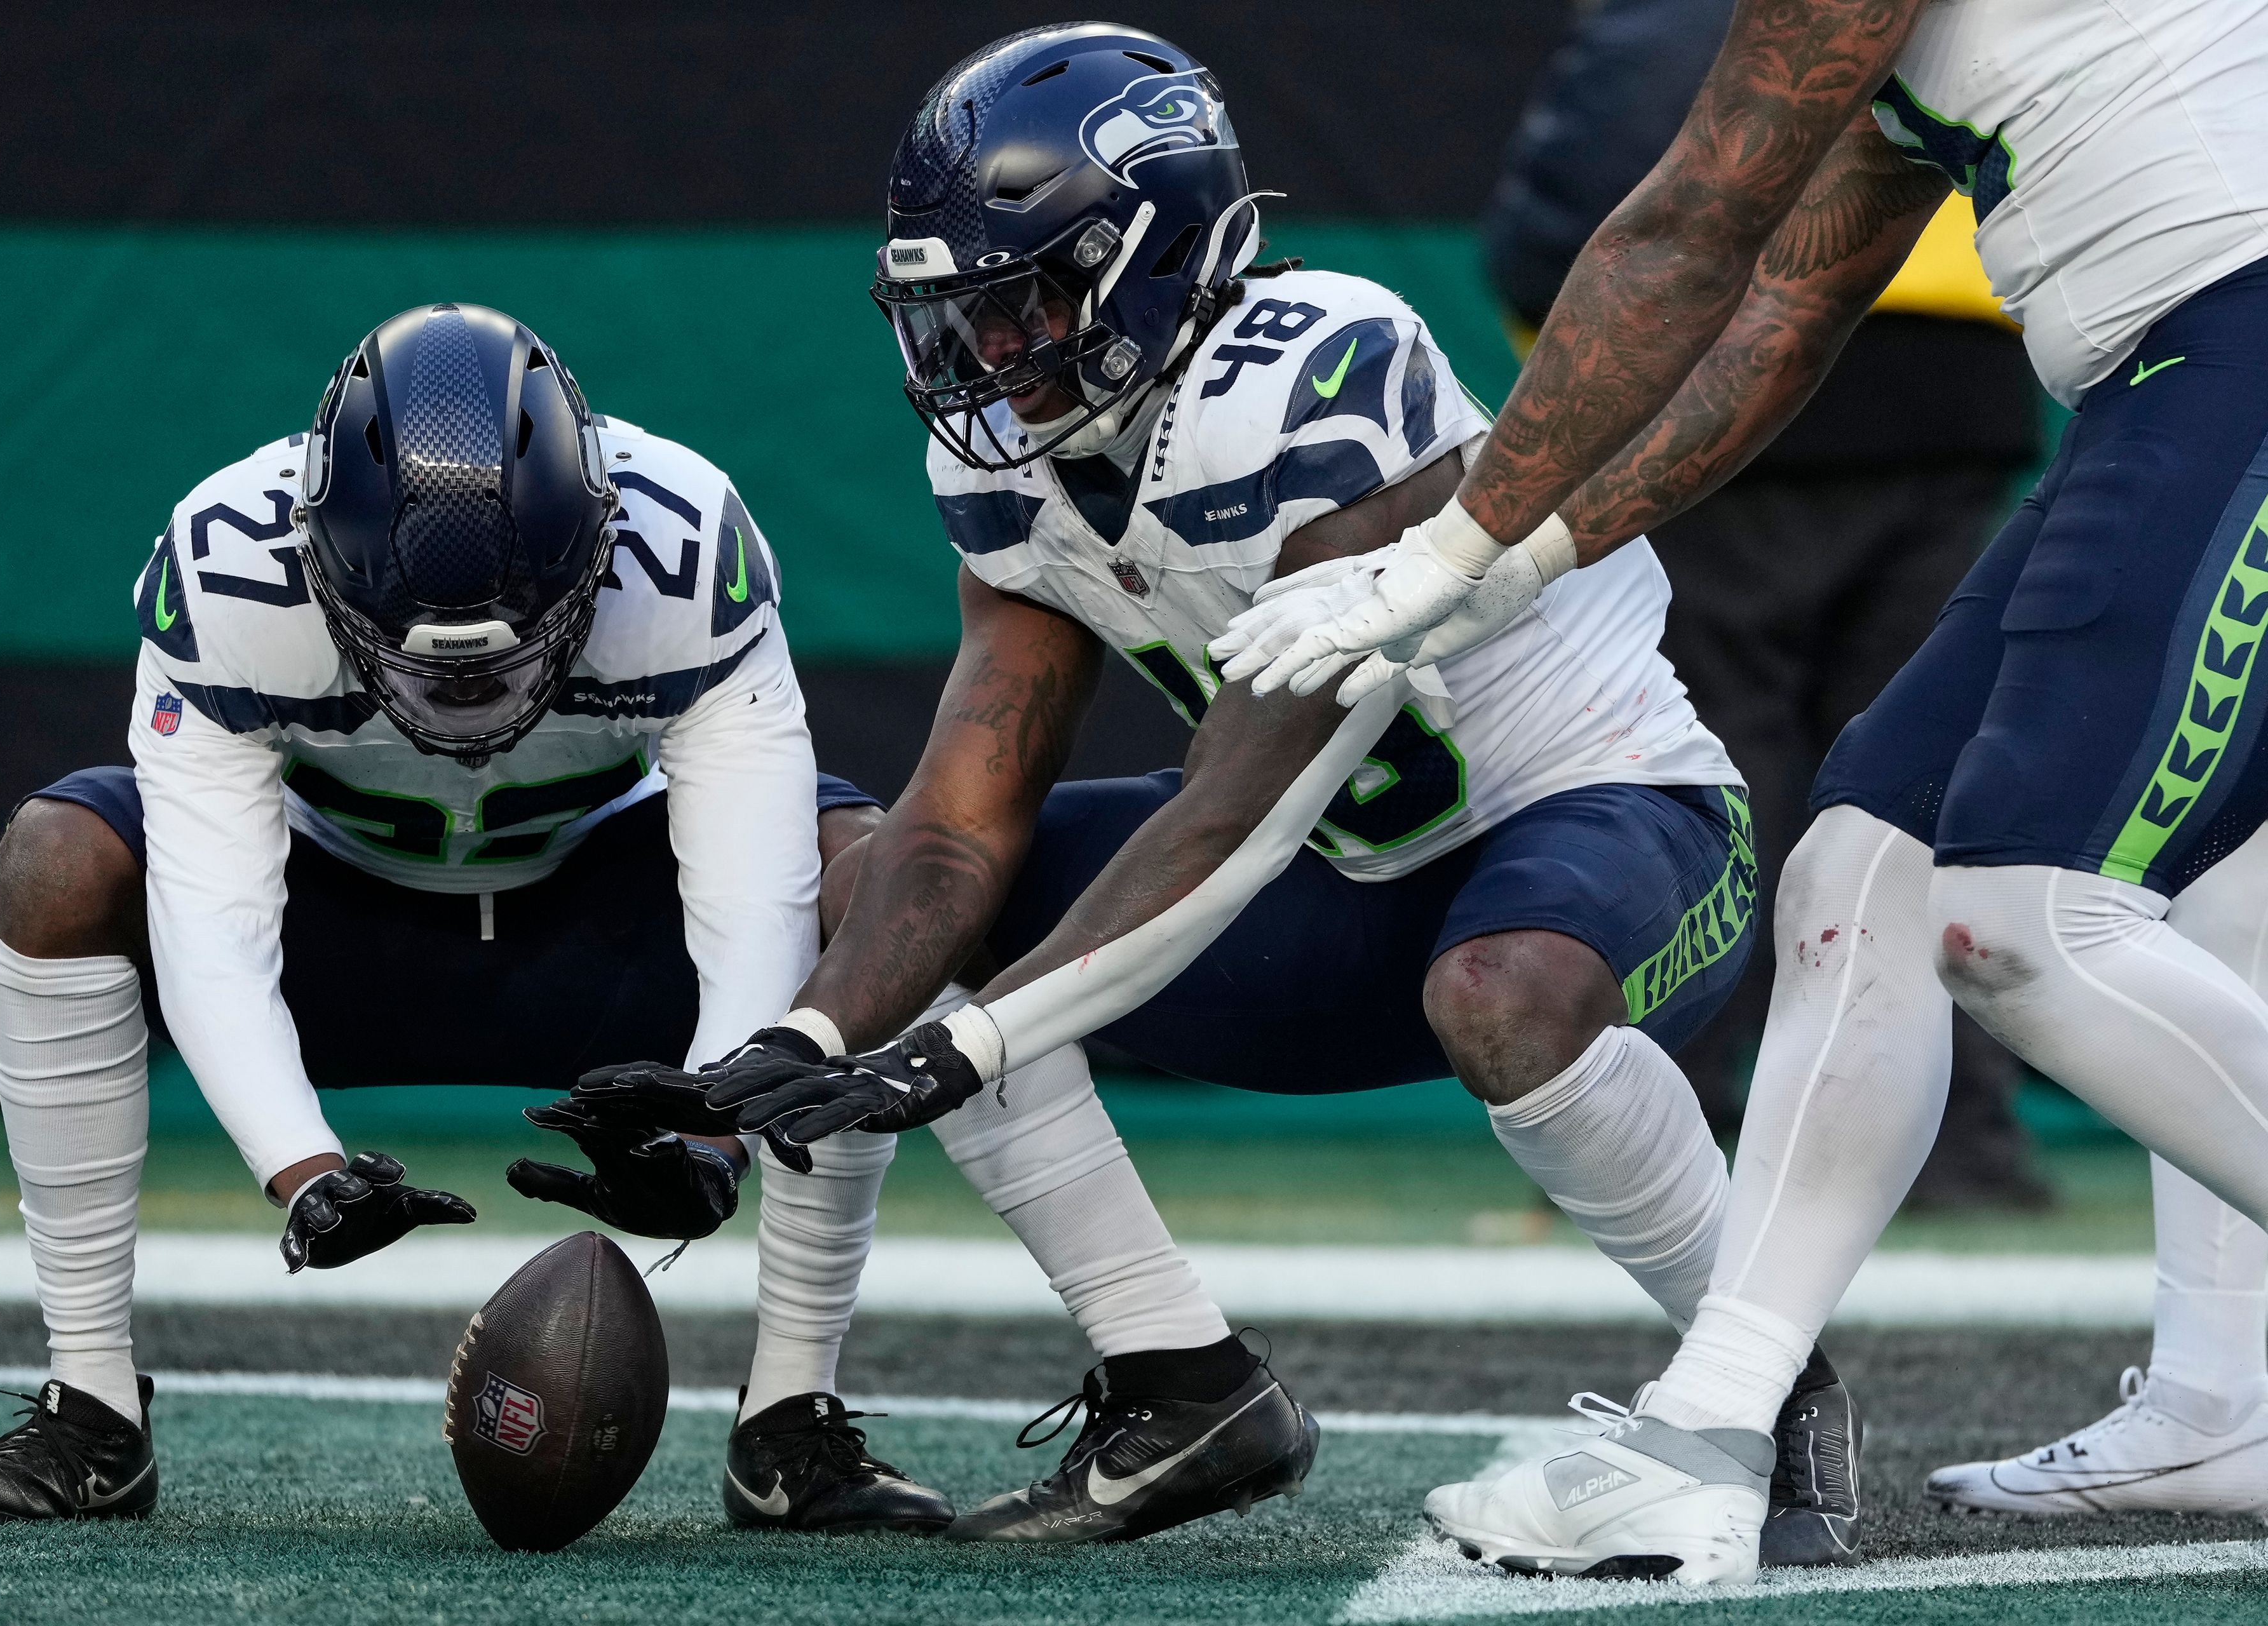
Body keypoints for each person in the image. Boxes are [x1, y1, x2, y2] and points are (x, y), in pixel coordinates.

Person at [564, 23, 1851, 1559]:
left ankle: (1770, 1378)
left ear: (1165, 255)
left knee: (1503, 987)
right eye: (957, 312)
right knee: (871, 899)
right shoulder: (1015, 464)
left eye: (1027, 295)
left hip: (1605, 821)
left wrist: (959, 1050)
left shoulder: (1313, 368)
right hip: (1346, 893)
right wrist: (794, 1043)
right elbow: (961, 819)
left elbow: (1238, 803)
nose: (987, 352)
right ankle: (1179, 1378)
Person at [1230, 0, 2268, 1584]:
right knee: (1864, 870)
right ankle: (1726, 1425)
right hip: (2169, 375)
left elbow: (1685, 232)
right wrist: (1527, 557)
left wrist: (1446, 545)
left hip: (2232, 342)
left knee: (2022, 913)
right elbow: (1790, 296)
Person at [0, 304, 889, 1521]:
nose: (465, 699)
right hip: (346, 938)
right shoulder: (225, 569)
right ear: (314, 555)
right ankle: (91, 1410)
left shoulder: (688, 548)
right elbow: (212, 928)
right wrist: (301, 1168)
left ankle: (791, 1417)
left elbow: (756, 897)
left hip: (606, 942)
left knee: (882, 880)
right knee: (58, 860)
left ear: (602, 545)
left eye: (503, 657)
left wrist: (712, 1136)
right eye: (418, 657)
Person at [1482, 0, 2051, 1211]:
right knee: (1930, 793)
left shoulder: (1659, 28)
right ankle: (1959, 1155)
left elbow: (1562, 234)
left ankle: (1650, 1136)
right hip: (1951, 412)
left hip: (1708, 428)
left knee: (1705, 794)